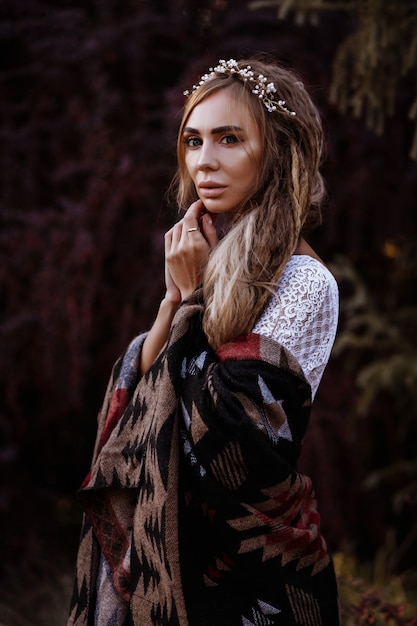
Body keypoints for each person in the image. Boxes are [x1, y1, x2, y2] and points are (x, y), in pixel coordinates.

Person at [68, 56, 340, 626]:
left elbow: (231, 443)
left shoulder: (303, 281)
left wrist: (190, 302)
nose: (203, 162)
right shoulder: (209, 263)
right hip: (167, 566)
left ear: (277, 152)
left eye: (229, 139)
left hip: (250, 583)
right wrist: (174, 302)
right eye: (193, 140)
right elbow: (130, 411)